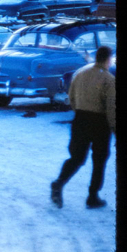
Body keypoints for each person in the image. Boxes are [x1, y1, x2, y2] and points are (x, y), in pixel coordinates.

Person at [50, 46, 116, 209]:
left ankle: (59, 183)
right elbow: (111, 107)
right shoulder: (108, 79)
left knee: (77, 157)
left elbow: (71, 97)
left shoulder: (80, 73)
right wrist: (114, 127)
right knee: (99, 159)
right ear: (108, 59)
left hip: (80, 118)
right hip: (100, 122)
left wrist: (79, 111)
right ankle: (92, 196)